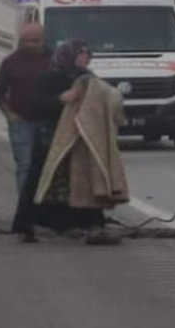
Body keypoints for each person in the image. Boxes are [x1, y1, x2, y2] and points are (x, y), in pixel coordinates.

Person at [11, 40, 124, 244]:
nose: (86, 57)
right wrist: (60, 98)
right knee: (39, 180)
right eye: (82, 53)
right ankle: (26, 224)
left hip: (78, 140)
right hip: (50, 138)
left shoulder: (88, 79)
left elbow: (106, 97)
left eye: (88, 53)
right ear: (69, 55)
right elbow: (35, 106)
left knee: (83, 180)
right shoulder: (48, 78)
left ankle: (88, 224)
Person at [0, 23, 50, 196]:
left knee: (48, 166)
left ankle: (47, 208)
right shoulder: (11, 62)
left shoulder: (53, 60)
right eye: (27, 41)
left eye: (35, 41)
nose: (31, 45)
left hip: (48, 122)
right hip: (21, 122)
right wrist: (9, 114)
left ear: (43, 40)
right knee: (25, 165)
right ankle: (25, 209)